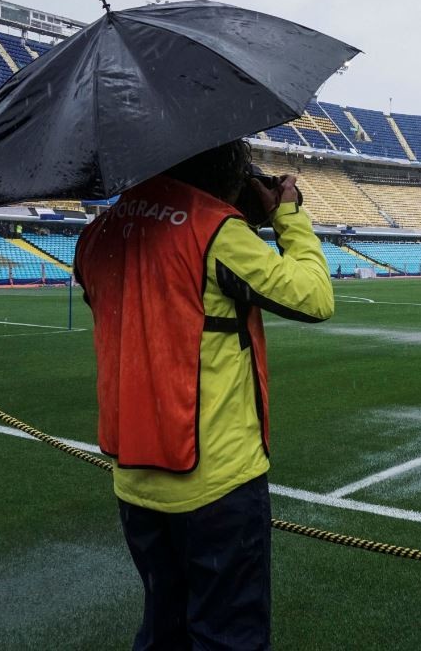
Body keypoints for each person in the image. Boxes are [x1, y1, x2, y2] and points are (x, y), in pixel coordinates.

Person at [74, 139, 334, 650]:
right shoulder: (216, 230)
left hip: (135, 480)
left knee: (163, 628)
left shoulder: (98, 233)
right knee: (227, 636)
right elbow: (315, 296)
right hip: (217, 483)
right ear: (225, 172)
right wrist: (287, 217)